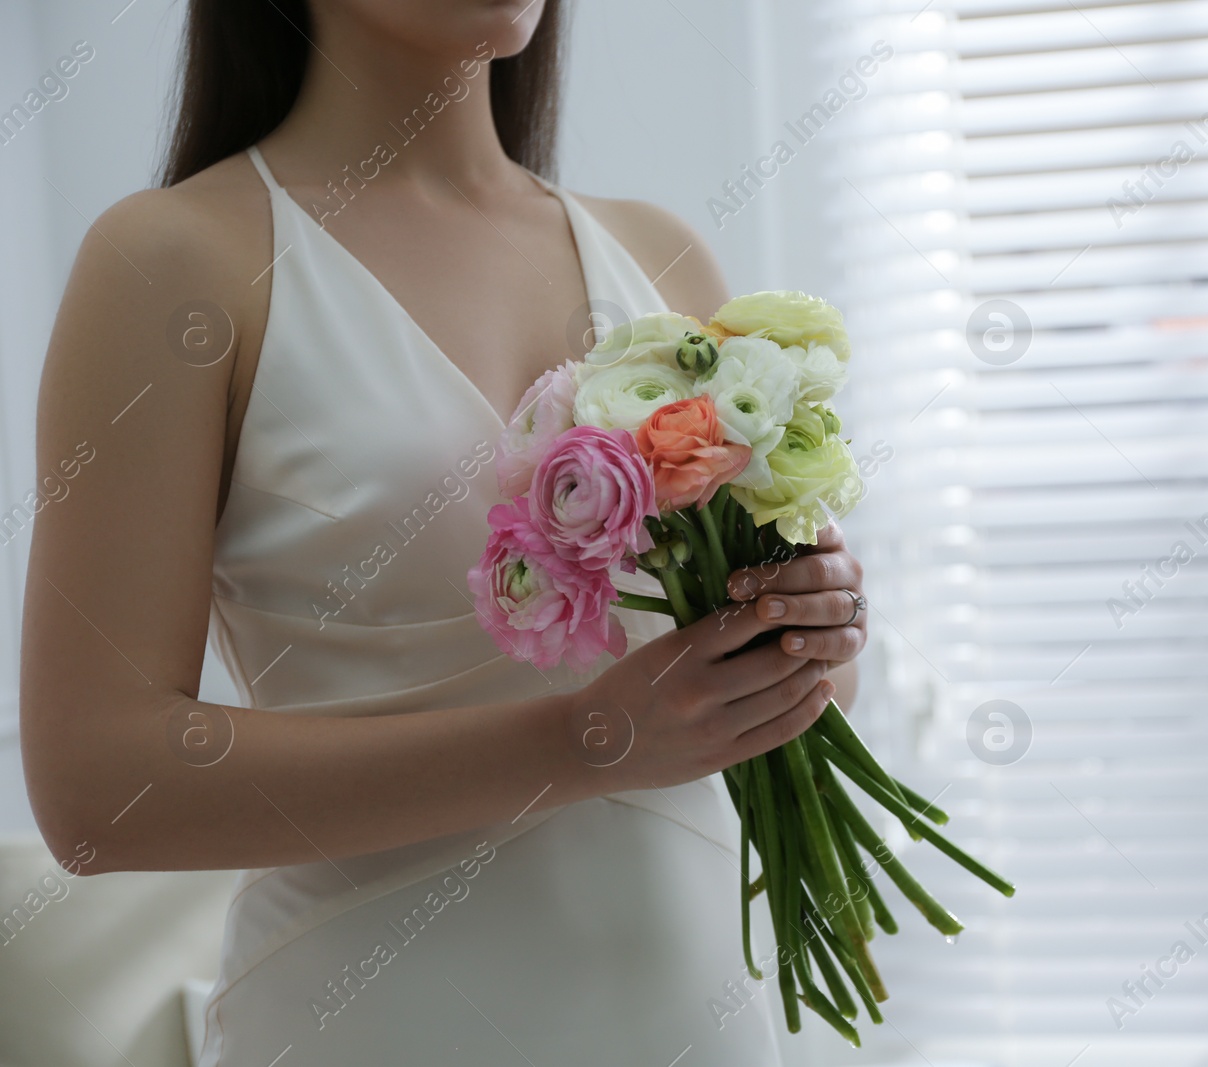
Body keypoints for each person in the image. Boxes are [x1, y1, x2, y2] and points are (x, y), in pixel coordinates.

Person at [19, 2, 868, 1062]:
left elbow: (789, 701)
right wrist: (582, 741)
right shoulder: (178, 260)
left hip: (694, 1014)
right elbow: (100, 789)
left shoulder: (657, 253)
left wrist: (813, 633)